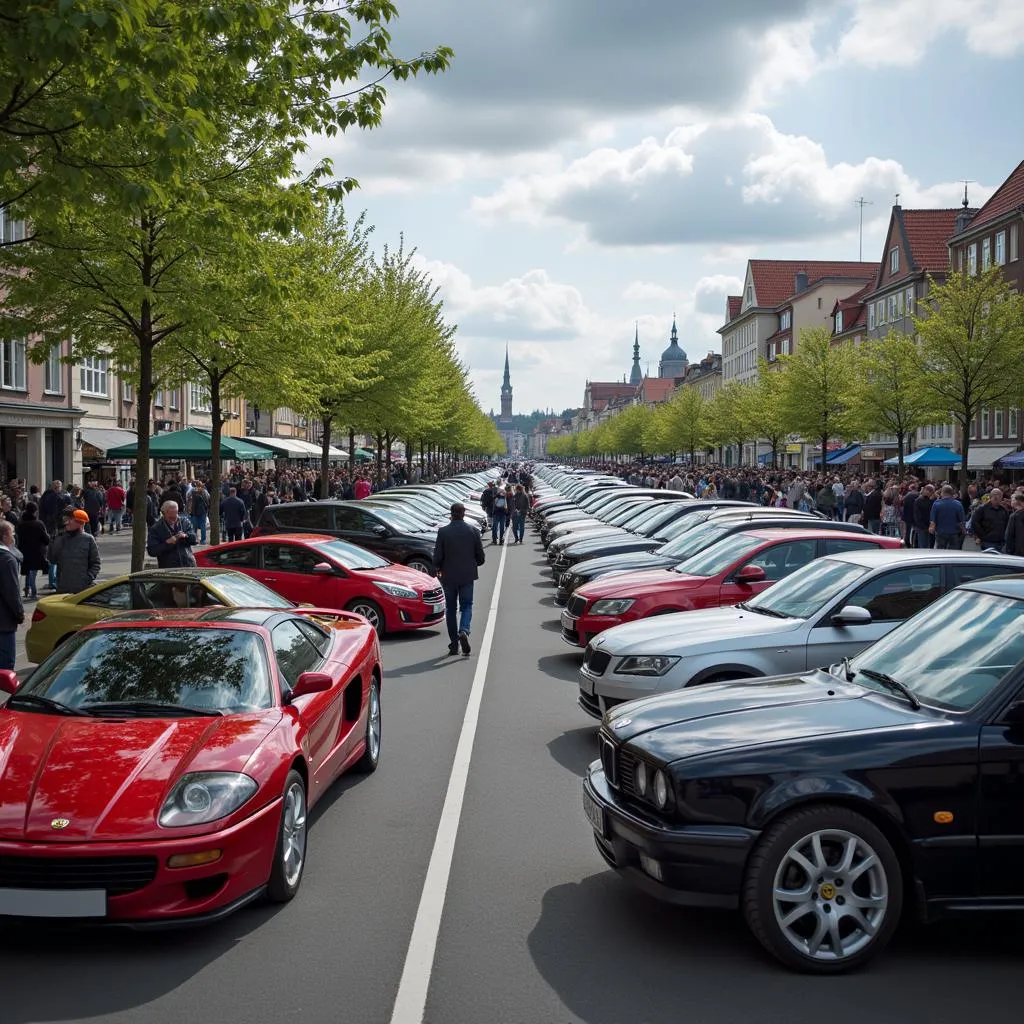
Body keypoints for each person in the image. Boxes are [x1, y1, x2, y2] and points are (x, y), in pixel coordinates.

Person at [432, 502, 485, 657]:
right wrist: (472, 563)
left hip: (448, 577)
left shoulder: (443, 532)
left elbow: (437, 558)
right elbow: (481, 558)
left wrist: (440, 567)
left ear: (451, 513)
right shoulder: (473, 531)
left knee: (450, 609)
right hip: (467, 576)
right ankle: (464, 630)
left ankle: (454, 644)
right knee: (467, 606)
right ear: (463, 513)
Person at [47, 508, 101, 594]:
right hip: (63, 588)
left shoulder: (88, 539)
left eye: (70, 520)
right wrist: (53, 541)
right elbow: (52, 559)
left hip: (82, 589)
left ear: (79, 523)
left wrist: (87, 578)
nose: (67, 522)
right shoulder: (61, 539)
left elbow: (96, 563)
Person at [0, 521, 23, 670]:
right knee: (6, 666)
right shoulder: (7, 560)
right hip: (4, 622)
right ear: (5, 536)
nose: (13, 537)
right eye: (12, 534)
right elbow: (12, 592)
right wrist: (19, 614)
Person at [147, 501, 198, 568]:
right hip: (169, 568)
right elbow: (152, 551)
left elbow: (195, 540)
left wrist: (186, 536)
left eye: (176, 515)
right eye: (171, 517)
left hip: (189, 564)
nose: (173, 520)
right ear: (163, 513)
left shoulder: (185, 521)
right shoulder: (156, 528)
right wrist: (167, 543)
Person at [15, 502, 49, 600]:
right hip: (37, 552)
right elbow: (46, 540)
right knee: (33, 573)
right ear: (35, 511)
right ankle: (33, 592)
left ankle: (26, 590)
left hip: (24, 551)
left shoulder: (21, 524)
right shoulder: (39, 524)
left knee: (27, 571)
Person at [971, 487, 1010, 552]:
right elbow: (975, 523)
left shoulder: (1004, 510)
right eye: (998, 497)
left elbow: (1007, 524)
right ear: (992, 497)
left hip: (1001, 542)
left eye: (1000, 497)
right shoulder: (982, 509)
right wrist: (981, 536)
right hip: (987, 541)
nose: (1000, 499)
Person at [929, 484, 965, 549]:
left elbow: (933, 520)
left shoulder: (936, 504)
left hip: (940, 532)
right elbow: (961, 520)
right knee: (953, 551)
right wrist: (963, 530)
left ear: (942, 493)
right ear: (951, 493)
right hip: (954, 532)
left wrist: (932, 528)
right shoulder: (958, 504)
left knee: (941, 551)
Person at [1004, 492, 1024, 556]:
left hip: (1018, 552)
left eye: (1013, 500)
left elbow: (1009, 535)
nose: (1011, 501)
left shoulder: (1015, 516)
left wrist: (1008, 551)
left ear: (1018, 502)